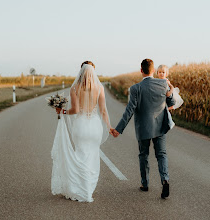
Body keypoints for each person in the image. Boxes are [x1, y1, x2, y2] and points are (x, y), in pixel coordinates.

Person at [110, 59, 175, 199]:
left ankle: (145, 184)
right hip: (160, 126)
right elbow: (172, 102)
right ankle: (165, 179)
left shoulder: (135, 88)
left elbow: (129, 110)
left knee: (143, 155)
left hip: (144, 128)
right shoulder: (163, 84)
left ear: (141, 70)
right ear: (153, 70)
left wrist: (118, 129)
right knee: (161, 154)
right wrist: (171, 93)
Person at [52, 63, 112, 202]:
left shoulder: (75, 88)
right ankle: (88, 190)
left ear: (81, 72)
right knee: (93, 156)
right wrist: (109, 127)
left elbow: (76, 110)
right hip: (95, 126)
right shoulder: (99, 88)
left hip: (81, 126)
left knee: (80, 155)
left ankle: (80, 188)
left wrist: (63, 111)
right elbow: (103, 111)